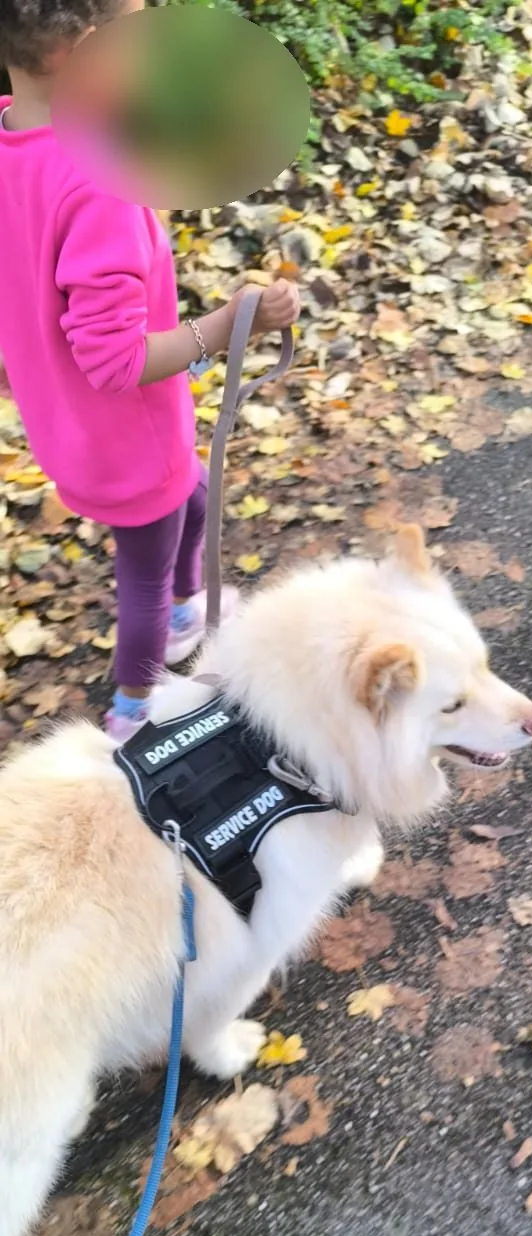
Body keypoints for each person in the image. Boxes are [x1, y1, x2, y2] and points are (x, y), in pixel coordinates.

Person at [0, 0, 300, 739]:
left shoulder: (13, 134)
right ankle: (134, 708)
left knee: (189, 501)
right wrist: (227, 327)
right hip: (123, 432)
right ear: (88, 53)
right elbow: (116, 359)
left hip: (62, 419)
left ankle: (185, 606)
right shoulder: (96, 183)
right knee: (141, 572)